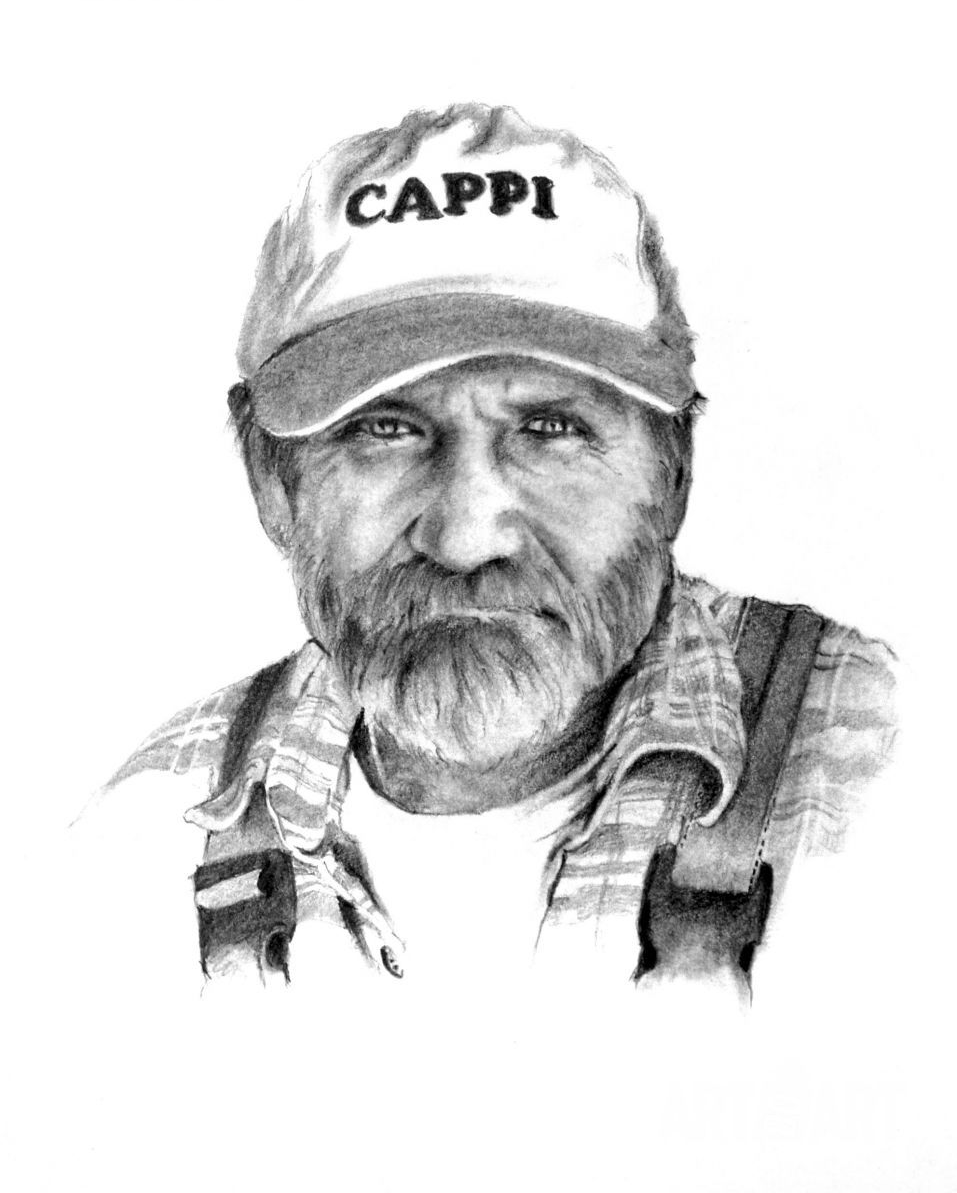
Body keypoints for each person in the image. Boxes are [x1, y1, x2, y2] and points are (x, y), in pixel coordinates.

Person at [87, 103, 896, 997]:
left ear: (674, 472)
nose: (467, 541)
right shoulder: (138, 833)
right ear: (270, 481)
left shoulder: (889, 768)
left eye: (550, 429)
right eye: (384, 430)